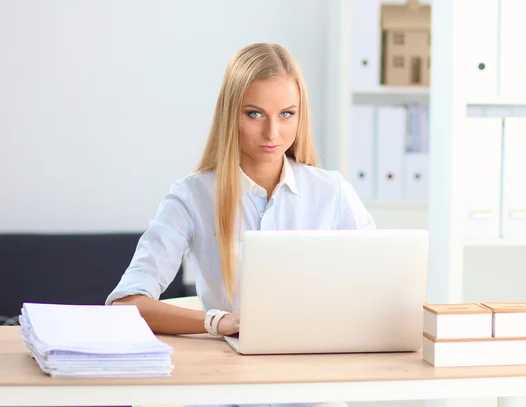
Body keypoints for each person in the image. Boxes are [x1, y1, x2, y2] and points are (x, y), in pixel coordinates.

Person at [106, 42, 375, 407]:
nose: (272, 134)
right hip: (224, 388)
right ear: (230, 114)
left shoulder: (332, 193)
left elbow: (379, 288)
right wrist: (217, 322)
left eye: (286, 114)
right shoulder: (193, 195)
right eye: (254, 114)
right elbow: (126, 304)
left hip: (311, 387)